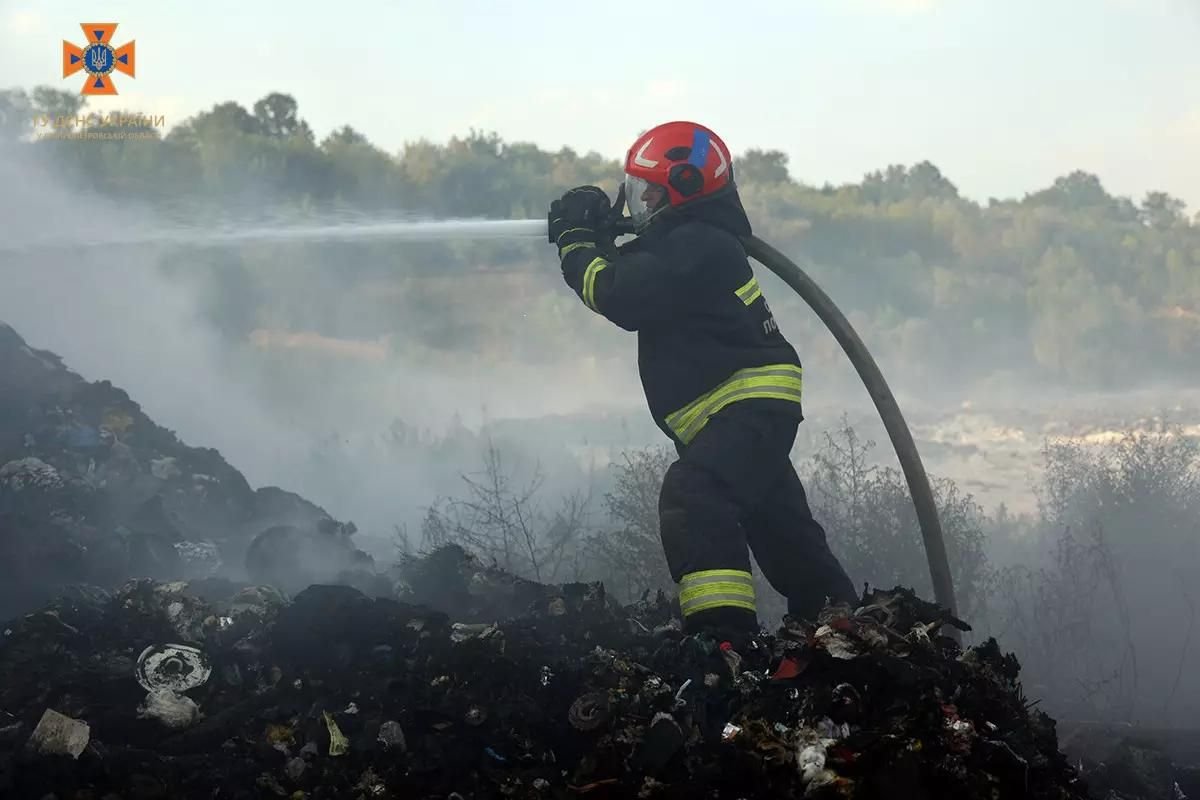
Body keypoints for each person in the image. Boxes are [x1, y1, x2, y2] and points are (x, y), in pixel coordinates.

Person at [548, 121, 858, 641]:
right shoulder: (685, 246)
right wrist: (597, 236)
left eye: (650, 190)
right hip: (748, 411)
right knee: (780, 527)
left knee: (695, 495)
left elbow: (616, 293)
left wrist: (576, 240)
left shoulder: (695, 243)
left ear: (685, 188)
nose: (642, 200)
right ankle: (838, 620)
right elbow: (634, 273)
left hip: (745, 406)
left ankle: (722, 637)